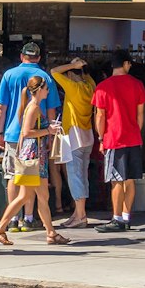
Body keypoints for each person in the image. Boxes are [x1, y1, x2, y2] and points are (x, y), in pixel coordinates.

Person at [0, 74, 68, 246]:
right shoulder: (33, 107)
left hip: (34, 157)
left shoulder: (33, 105)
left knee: (42, 195)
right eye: (47, 88)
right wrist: (48, 130)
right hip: (32, 157)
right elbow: (26, 132)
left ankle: (51, 233)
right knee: (25, 195)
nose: (48, 91)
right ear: (40, 89)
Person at [0, 41, 59, 234]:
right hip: (35, 138)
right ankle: (28, 218)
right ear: (38, 58)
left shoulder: (9, 74)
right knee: (33, 178)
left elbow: (0, 107)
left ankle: (13, 219)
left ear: (22, 56)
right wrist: (51, 136)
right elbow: (52, 109)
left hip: (13, 134)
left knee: (14, 176)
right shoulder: (45, 77)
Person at [92, 51, 145, 233]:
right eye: (130, 64)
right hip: (132, 137)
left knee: (116, 180)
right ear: (125, 64)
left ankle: (116, 219)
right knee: (130, 179)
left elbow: (100, 115)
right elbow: (141, 114)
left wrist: (101, 137)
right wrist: (135, 131)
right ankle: (126, 216)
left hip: (113, 138)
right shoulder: (137, 84)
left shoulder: (103, 87)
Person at [50, 56, 96, 228]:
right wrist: (81, 66)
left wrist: (72, 65)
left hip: (74, 136)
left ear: (70, 75)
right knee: (82, 175)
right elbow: (88, 74)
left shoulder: (73, 87)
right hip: (87, 134)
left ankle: (81, 215)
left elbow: (54, 72)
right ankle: (78, 213)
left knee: (75, 176)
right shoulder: (90, 86)